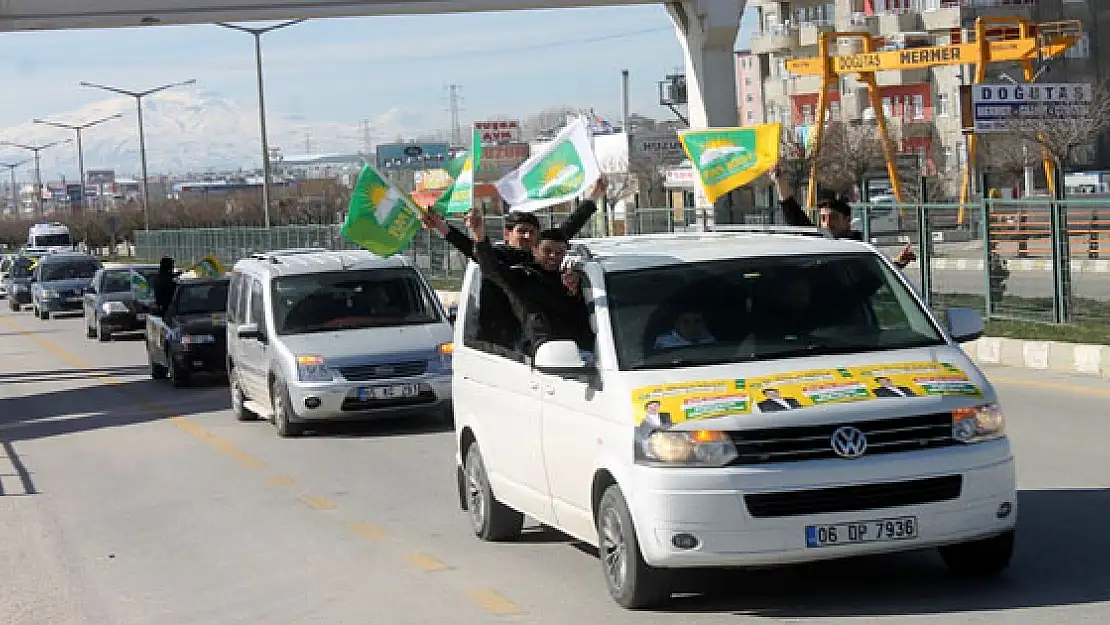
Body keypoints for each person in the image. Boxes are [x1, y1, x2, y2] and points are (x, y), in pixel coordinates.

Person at [420, 177, 607, 349]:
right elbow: (477, 253)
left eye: (532, 232)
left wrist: (594, 196)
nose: (527, 236)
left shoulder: (547, 260)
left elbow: (568, 228)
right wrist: (445, 227)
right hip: (504, 338)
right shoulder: (503, 262)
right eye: (522, 231)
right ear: (507, 234)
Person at [467, 211, 593, 355]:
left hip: (583, 352)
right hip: (544, 352)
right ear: (535, 251)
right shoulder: (523, 277)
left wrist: (575, 292)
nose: (553, 256)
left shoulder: (574, 277)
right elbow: (492, 270)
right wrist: (480, 237)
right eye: (547, 251)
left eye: (559, 253)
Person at [768, 167, 916, 270]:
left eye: (833, 218)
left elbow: (872, 278)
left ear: (847, 220)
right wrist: (779, 181)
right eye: (823, 218)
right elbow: (793, 214)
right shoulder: (817, 240)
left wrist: (898, 263)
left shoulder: (858, 250)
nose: (827, 223)